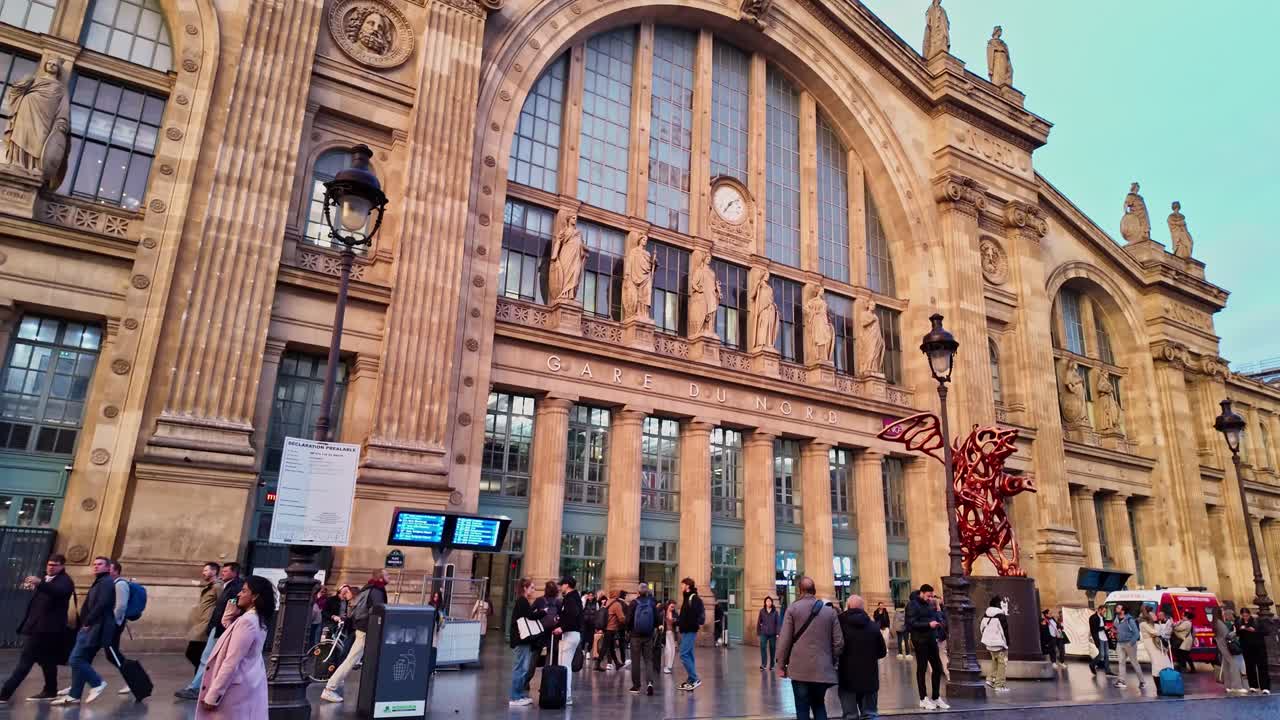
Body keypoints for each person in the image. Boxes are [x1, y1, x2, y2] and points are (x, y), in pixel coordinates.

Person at [195, 575, 275, 719]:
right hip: (246, 684)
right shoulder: (256, 619)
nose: (239, 593)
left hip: (234, 690)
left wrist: (213, 695)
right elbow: (234, 638)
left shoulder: (247, 622)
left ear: (255, 596)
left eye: (244, 591)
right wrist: (228, 616)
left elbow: (231, 661)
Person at [0, 553, 73, 703]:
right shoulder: (46, 579)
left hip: (46, 630)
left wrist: (40, 583)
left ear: (62, 566)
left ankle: (4, 694)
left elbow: (59, 591)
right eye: (49, 564)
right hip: (38, 627)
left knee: (25, 662)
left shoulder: (65, 581)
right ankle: (50, 690)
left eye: (54, 565)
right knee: (48, 661)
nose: (50, 567)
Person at [775, 577, 843, 720]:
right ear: (814, 590)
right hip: (823, 669)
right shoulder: (830, 612)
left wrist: (781, 664)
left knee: (802, 708)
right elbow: (839, 643)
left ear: (800, 590)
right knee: (819, 705)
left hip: (799, 670)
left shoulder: (792, 609)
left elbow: (784, 640)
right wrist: (831, 660)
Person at [50, 556, 115, 706]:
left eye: (100, 564)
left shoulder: (106, 582)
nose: (96, 566)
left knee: (75, 659)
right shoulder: (101, 581)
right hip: (91, 626)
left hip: (94, 627)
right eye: (94, 564)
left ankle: (97, 683)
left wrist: (88, 621)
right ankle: (74, 695)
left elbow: (102, 604)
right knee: (81, 659)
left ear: (107, 567)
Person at [321, 569, 388, 703]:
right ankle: (330, 688)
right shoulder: (377, 591)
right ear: (380, 578)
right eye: (387, 575)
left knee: (363, 659)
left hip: (363, 629)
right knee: (351, 659)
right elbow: (378, 611)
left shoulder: (368, 588)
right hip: (366, 630)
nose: (389, 577)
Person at [178, 562, 243, 700]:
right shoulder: (227, 586)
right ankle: (200, 686)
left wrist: (221, 625)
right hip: (216, 626)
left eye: (226, 571)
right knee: (206, 658)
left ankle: (196, 688)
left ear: (234, 573)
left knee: (207, 658)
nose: (223, 573)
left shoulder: (233, 587)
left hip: (220, 627)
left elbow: (231, 609)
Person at [837, 595, 885, 719]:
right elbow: (882, 652)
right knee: (870, 714)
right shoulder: (873, 626)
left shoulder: (839, 625)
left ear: (847, 607)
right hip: (869, 677)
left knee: (850, 715)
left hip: (847, 677)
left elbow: (835, 648)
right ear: (863, 608)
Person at [105, 560, 145, 698]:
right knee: (86, 654)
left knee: (112, 654)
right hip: (108, 624)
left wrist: (113, 622)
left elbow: (120, 606)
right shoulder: (110, 583)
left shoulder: (120, 584)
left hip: (113, 624)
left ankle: (134, 680)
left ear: (116, 571)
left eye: (108, 568)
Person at [906, 584, 948, 710]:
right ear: (922, 593)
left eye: (931, 596)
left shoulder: (929, 604)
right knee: (922, 668)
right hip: (920, 640)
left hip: (931, 639)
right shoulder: (912, 605)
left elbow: (933, 617)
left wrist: (937, 624)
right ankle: (923, 698)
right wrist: (928, 624)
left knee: (937, 668)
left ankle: (935, 697)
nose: (930, 598)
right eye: (928, 596)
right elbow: (911, 623)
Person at [508, 578, 544, 707]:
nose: (534, 590)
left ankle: (518, 694)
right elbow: (530, 616)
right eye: (532, 587)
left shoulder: (522, 601)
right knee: (521, 668)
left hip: (522, 639)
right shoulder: (522, 601)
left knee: (523, 667)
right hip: (521, 639)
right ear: (525, 588)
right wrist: (542, 612)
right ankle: (515, 697)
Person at [183, 563, 221, 673]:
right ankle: (199, 678)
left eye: (205, 570)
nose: (203, 573)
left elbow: (224, 603)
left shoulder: (218, 587)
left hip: (207, 625)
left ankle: (203, 675)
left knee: (193, 652)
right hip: (201, 623)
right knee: (197, 654)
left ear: (213, 572)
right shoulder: (210, 586)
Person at [553, 575, 584, 706]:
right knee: (565, 665)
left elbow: (573, 614)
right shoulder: (574, 597)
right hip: (572, 634)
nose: (560, 587)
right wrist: (560, 621)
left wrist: (562, 627)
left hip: (570, 634)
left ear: (567, 585)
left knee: (565, 666)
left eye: (561, 585)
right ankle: (565, 694)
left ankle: (566, 695)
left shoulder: (570, 598)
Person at [627, 582, 659, 695]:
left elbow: (628, 619)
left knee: (635, 661)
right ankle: (650, 683)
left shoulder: (634, 603)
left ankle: (636, 686)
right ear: (647, 592)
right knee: (648, 660)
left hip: (635, 636)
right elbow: (657, 619)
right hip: (648, 636)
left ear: (638, 592)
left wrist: (629, 630)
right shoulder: (652, 603)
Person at [677, 577, 706, 690]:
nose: (681, 587)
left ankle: (694, 678)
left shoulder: (693, 598)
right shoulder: (687, 597)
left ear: (687, 586)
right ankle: (690, 679)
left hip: (690, 630)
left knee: (683, 654)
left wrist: (689, 624)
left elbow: (695, 615)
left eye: (682, 585)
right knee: (689, 654)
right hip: (686, 630)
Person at [980, 595, 1011, 692]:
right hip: (999, 644)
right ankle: (999, 685)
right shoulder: (1000, 615)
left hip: (989, 643)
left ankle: (991, 679)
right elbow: (1004, 631)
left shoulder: (986, 614)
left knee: (995, 661)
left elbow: (982, 628)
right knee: (1002, 664)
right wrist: (1006, 644)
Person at [1238, 607, 1271, 694]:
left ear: (1249, 614)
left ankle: (1265, 687)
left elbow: (1266, 632)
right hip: (1247, 648)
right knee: (1249, 667)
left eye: (1247, 615)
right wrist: (1240, 629)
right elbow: (1238, 634)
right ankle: (1253, 686)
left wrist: (1255, 631)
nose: (1245, 617)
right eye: (1243, 616)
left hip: (1259, 647)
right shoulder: (1239, 622)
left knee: (1262, 667)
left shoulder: (1257, 621)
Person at [1139, 607, 1172, 688]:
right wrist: (1162, 632)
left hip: (1157, 644)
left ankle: (1165, 681)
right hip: (1150, 644)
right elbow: (1154, 632)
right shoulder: (1143, 624)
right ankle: (1158, 686)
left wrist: (1168, 626)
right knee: (1156, 662)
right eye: (1152, 614)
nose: (1155, 615)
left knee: (1164, 661)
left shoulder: (1155, 624)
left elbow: (1164, 631)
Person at [1215, 609, 1246, 694]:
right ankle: (1236, 686)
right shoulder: (1220, 623)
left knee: (1226, 665)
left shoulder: (1216, 622)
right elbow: (1227, 635)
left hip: (1222, 646)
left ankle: (1228, 686)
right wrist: (1236, 632)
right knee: (1233, 664)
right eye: (1222, 612)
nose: (1223, 613)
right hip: (1226, 646)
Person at [1112, 603, 1142, 690]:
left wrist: (1130, 643)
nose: (1116, 608)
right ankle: (1121, 681)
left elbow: (1136, 634)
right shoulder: (1116, 619)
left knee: (1134, 663)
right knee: (1121, 662)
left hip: (1129, 644)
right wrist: (1114, 631)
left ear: (1123, 610)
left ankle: (1142, 681)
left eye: (1118, 607)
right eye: (1116, 607)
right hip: (1119, 643)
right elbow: (1116, 628)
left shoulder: (1130, 620)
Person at [1088, 605, 1113, 676]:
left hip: (1105, 638)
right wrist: (1103, 628)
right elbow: (1094, 629)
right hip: (1099, 638)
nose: (1104, 613)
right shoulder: (1093, 618)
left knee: (1107, 655)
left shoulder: (1103, 618)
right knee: (1101, 654)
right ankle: (1092, 664)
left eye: (1105, 611)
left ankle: (1108, 670)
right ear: (1099, 610)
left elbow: (1104, 628)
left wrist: (1108, 629)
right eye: (1104, 611)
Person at [758, 596, 781, 670]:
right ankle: (763, 664)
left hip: (772, 633)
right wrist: (760, 630)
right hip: (764, 632)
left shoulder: (775, 612)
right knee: (763, 647)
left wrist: (777, 633)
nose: (768, 603)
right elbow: (759, 621)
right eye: (767, 601)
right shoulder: (762, 611)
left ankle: (772, 665)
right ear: (765, 603)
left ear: (772, 602)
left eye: (770, 601)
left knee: (772, 648)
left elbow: (778, 623)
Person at [662, 600, 678, 674]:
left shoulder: (675, 614)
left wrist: (675, 621)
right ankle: (666, 666)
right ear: (668, 605)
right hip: (665, 633)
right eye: (671, 606)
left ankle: (669, 666)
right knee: (668, 650)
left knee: (672, 650)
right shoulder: (663, 613)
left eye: (674, 607)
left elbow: (678, 623)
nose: (672, 608)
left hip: (672, 633)